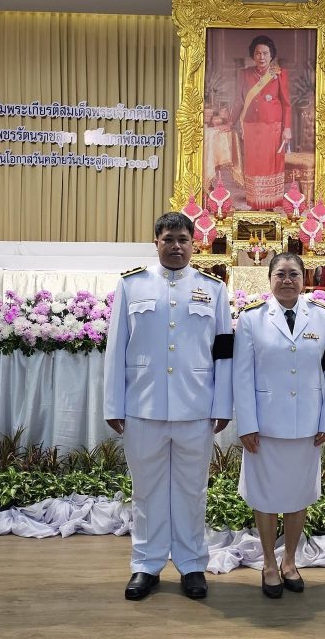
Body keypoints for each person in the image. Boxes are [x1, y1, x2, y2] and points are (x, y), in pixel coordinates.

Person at [103, 212, 234, 601]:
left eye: (183, 239)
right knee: (147, 491)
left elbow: (224, 351)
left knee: (193, 491)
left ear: (194, 244)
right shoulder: (132, 285)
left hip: (196, 407)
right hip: (143, 406)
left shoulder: (213, 289)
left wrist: (222, 403)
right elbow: (116, 347)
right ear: (156, 243)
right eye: (168, 239)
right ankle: (146, 564)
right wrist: (113, 403)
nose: (176, 246)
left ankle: (192, 565)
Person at [232, 252, 325, 598]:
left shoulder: (323, 319)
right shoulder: (251, 319)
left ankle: (290, 561)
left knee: (299, 495)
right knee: (264, 497)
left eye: (294, 274)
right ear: (269, 279)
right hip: (264, 426)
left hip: (308, 425)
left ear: (303, 279)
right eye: (280, 274)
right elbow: (241, 375)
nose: (287, 280)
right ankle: (269, 562)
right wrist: (246, 423)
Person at [233, 34, 291, 210]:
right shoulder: (244, 74)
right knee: (254, 166)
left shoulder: (279, 75)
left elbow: (286, 104)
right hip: (251, 127)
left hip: (272, 128)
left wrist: (287, 128)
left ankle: (271, 203)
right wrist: (231, 122)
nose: (262, 57)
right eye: (258, 53)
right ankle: (255, 203)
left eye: (265, 53)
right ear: (253, 55)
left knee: (271, 166)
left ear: (271, 55)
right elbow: (238, 101)